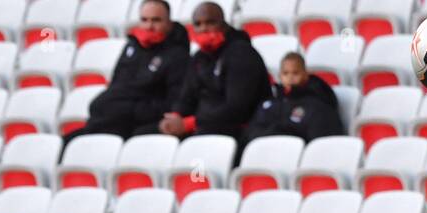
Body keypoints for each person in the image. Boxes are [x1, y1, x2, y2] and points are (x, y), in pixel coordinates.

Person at [61, 0, 190, 147]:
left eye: (156, 20)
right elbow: (115, 85)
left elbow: (173, 103)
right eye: (144, 20)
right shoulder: (132, 46)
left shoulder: (178, 56)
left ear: (169, 23)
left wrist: (129, 110)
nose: (149, 26)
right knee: (62, 144)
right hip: (113, 119)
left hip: (138, 124)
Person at [160, 2, 270, 141]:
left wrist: (190, 123)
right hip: (204, 125)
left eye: (210, 22)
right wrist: (176, 116)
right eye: (198, 24)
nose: (204, 28)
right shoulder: (199, 58)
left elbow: (237, 108)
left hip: (237, 129)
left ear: (223, 24)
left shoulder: (242, 54)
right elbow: (186, 97)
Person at [242, 51, 345, 146]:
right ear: (280, 76)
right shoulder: (269, 104)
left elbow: (320, 144)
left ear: (305, 75)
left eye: (295, 73)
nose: (290, 77)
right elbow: (252, 132)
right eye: (285, 73)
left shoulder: (318, 104)